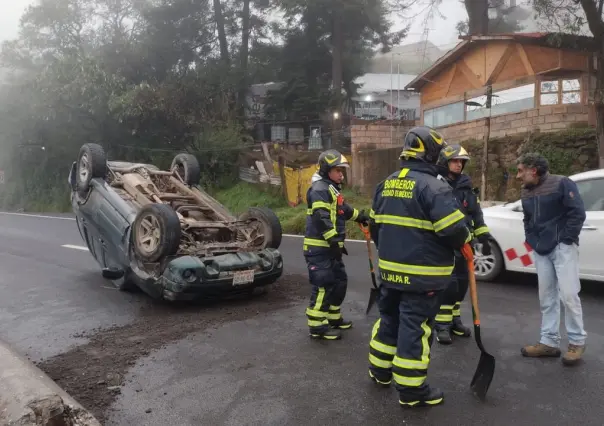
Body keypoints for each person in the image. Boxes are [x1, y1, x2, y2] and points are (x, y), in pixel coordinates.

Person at [367, 126, 471, 407]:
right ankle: (412, 391)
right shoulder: (435, 187)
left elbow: (375, 228)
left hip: (389, 272)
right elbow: (454, 232)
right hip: (422, 278)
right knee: (415, 329)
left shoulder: (385, 183)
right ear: (431, 153)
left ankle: (379, 372)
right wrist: (468, 236)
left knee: (389, 320)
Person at [516, 152, 587, 366]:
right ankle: (549, 342)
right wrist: (531, 240)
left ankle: (576, 342)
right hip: (541, 250)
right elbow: (527, 219)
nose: (518, 176)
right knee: (547, 297)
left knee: (568, 295)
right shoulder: (526, 192)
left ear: (533, 170)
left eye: (520, 171)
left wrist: (566, 240)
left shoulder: (562, 183)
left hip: (562, 248)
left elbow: (577, 213)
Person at [303, 149, 370, 341]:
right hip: (319, 248)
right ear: (326, 170)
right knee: (323, 284)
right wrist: (333, 239)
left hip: (330, 248)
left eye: (342, 170)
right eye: (337, 170)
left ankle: (332, 317)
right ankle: (317, 326)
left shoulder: (331, 189)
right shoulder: (320, 190)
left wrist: (361, 216)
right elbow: (321, 217)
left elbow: (344, 210)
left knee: (339, 281)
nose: (341, 174)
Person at [433, 144, 492, 344]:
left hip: (465, 244)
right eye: (454, 161)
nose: (458, 165)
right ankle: (441, 324)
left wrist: (483, 236)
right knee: (448, 286)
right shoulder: (436, 185)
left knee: (461, 285)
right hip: (444, 244)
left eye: (461, 162)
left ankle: (454, 319)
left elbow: (475, 213)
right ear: (444, 162)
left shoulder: (466, 186)